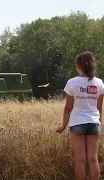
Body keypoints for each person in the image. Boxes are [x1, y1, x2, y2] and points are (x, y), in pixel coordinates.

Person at [56, 51, 104, 180]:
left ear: (79, 66)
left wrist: (63, 126)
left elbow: (68, 108)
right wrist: (99, 122)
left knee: (80, 160)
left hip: (77, 123)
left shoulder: (72, 82)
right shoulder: (99, 83)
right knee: (93, 160)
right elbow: (99, 108)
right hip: (94, 123)